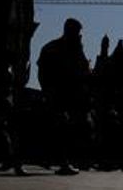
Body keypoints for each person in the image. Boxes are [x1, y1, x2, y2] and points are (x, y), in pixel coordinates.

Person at [38, 18, 91, 176]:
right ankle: (62, 163)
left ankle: (52, 159)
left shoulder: (59, 47)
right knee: (62, 128)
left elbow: (83, 70)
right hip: (60, 94)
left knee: (59, 128)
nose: (79, 36)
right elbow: (83, 71)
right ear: (71, 31)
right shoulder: (59, 48)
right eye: (78, 33)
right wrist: (48, 90)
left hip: (65, 94)